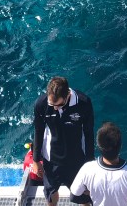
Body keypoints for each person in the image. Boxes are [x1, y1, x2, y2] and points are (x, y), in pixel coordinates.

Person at [31, 77, 94, 206]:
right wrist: (36, 160)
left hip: (77, 159)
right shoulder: (41, 104)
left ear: (68, 95)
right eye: (51, 104)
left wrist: (89, 163)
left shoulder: (83, 103)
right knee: (50, 193)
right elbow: (38, 131)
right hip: (51, 160)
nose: (55, 108)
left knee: (83, 196)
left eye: (59, 105)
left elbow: (89, 133)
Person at [70, 121, 127, 206]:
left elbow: (74, 197)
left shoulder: (87, 169)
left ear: (99, 147)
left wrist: (90, 194)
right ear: (120, 146)